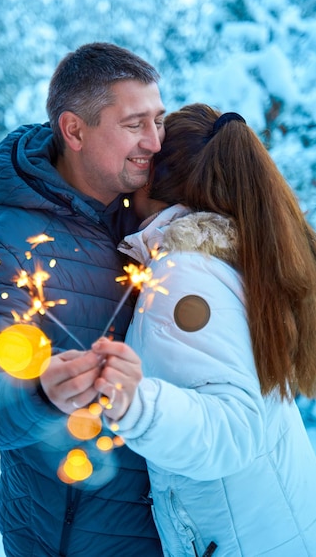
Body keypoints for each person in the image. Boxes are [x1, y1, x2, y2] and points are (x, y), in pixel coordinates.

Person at [0, 42, 167, 556]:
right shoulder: (1, 247)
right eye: (135, 124)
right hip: (72, 542)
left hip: (176, 534)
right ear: (74, 130)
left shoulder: (158, 219)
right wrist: (42, 395)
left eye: (159, 119)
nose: (155, 142)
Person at [92, 103, 316, 557]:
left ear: (154, 179)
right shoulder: (233, 255)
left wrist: (135, 404)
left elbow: (235, 428)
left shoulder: (183, 275)